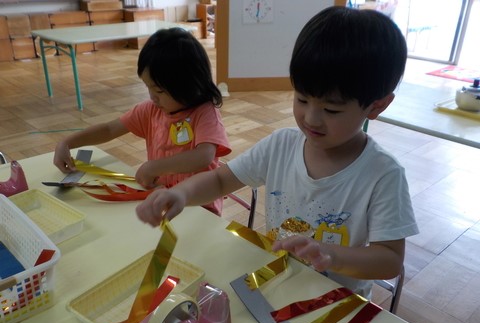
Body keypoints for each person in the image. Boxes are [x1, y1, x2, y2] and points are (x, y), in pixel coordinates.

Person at [135, 6, 419, 299]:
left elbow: (389, 260)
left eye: (331, 109)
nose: (311, 118)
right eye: (301, 99)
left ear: (376, 106)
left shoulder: (383, 175)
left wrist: (332, 255)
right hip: (277, 283)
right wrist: (181, 193)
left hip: (335, 304)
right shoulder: (281, 145)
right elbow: (220, 181)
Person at [53, 27, 231, 216]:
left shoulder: (205, 113)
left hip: (200, 207)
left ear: (188, 85)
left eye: (159, 91)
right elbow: (109, 129)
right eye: (148, 88)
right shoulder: (151, 110)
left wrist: (153, 167)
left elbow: (203, 156)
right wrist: (67, 142)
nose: (153, 97)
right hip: (160, 199)